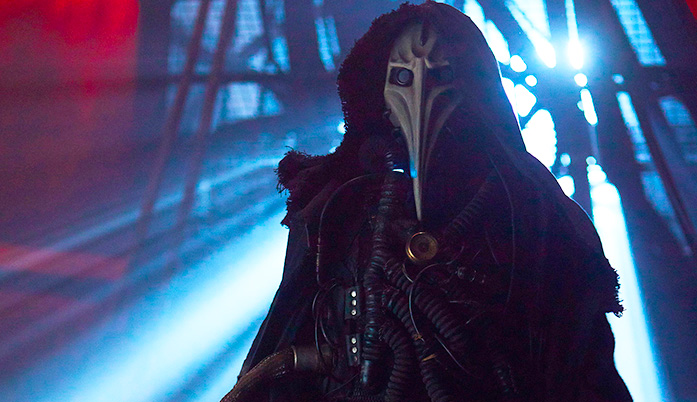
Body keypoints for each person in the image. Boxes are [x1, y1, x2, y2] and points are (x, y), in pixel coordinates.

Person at [222, 2, 632, 401]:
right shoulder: (338, 204)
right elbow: (290, 324)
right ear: (378, 90)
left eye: (442, 75)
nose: (421, 95)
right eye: (402, 77)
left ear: (471, 86)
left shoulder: (526, 203)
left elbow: (579, 350)